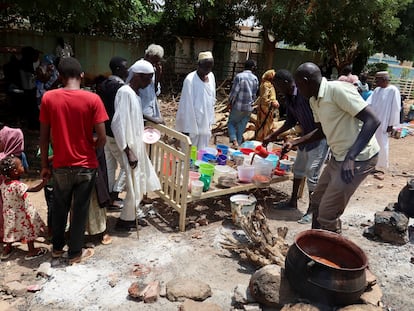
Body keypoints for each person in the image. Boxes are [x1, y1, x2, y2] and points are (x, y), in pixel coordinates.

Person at [289, 62, 380, 233]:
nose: (298, 90)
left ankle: (331, 255)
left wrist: (351, 157)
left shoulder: (337, 90)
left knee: (327, 214)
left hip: (359, 158)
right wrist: (295, 142)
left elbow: (373, 120)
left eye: (299, 85)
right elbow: (321, 131)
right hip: (338, 157)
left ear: (307, 81)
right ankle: (314, 245)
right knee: (316, 203)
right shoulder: (314, 100)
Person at [39, 57, 108, 264]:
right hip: (86, 165)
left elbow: (43, 138)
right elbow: (102, 137)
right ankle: (75, 253)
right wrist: (92, 146)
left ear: (59, 77)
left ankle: (58, 248)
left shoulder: (49, 98)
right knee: (80, 209)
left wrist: (44, 165)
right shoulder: (93, 99)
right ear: (82, 75)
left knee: (60, 206)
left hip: (60, 165)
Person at [263, 69, 329, 224]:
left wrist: (294, 142)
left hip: (319, 139)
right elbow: (291, 121)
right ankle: (292, 201)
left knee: (312, 175)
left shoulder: (305, 94)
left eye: (278, 86)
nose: (277, 90)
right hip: (304, 139)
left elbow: (321, 127)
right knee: (298, 170)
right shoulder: (288, 96)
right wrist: (274, 135)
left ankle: (312, 212)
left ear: (286, 83)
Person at [111, 59, 161, 231]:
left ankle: (130, 217)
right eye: (147, 78)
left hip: (136, 145)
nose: (149, 83)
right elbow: (117, 123)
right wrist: (127, 150)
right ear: (138, 76)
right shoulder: (125, 92)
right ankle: (125, 221)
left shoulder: (134, 94)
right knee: (133, 185)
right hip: (130, 147)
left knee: (138, 183)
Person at [0, 155, 47, 260]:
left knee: (10, 230)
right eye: (21, 165)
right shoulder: (17, 185)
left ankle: (7, 249)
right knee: (28, 229)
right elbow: (34, 189)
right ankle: (32, 251)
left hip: (9, 214)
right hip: (22, 213)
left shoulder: (4, 184)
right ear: (15, 171)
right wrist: (44, 182)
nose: (23, 167)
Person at [97, 56, 129, 209]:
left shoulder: (102, 84)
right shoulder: (120, 88)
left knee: (110, 165)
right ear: (118, 69)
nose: (127, 70)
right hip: (116, 132)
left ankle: (109, 194)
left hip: (105, 130)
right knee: (127, 164)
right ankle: (115, 194)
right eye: (125, 67)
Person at [176, 51, 216, 150]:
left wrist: (210, 121)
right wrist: (185, 128)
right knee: (189, 154)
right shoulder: (190, 80)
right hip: (193, 125)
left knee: (202, 153)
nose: (207, 70)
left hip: (205, 124)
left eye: (210, 67)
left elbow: (212, 99)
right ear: (198, 65)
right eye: (205, 67)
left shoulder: (211, 77)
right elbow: (185, 106)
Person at [366, 71, 401, 170]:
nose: (376, 82)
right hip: (374, 121)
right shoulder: (377, 90)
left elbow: (396, 108)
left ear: (385, 80)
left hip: (384, 123)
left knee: (382, 143)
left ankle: (380, 166)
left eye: (378, 80)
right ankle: (371, 164)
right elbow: (368, 103)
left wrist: (391, 124)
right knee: (371, 143)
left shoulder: (393, 90)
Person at [227, 59, 259, 148]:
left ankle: (234, 141)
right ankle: (238, 146)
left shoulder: (239, 77)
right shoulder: (255, 78)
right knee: (241, 128)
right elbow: (254, 94)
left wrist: (229, 103)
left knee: (231, 123)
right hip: (248, 107)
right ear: (252, 68)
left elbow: (234, 93)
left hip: (238, 106)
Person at [140, 44, 165, 124]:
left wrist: (158, 76)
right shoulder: (139, 68)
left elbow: (155, 92)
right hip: (141, 112)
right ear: (147, 56)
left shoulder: (153, 70)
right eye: (153, 61)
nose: (154, 64)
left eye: (157, 62)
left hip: (151, 111)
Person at [255, 69, 279, 141]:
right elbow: (264, 97)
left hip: (265, 108)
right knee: (265, 126)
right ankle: (263, 140)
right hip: (266, 109)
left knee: (263, 125)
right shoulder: (267, 85)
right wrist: (272, 102)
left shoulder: (264, 84)